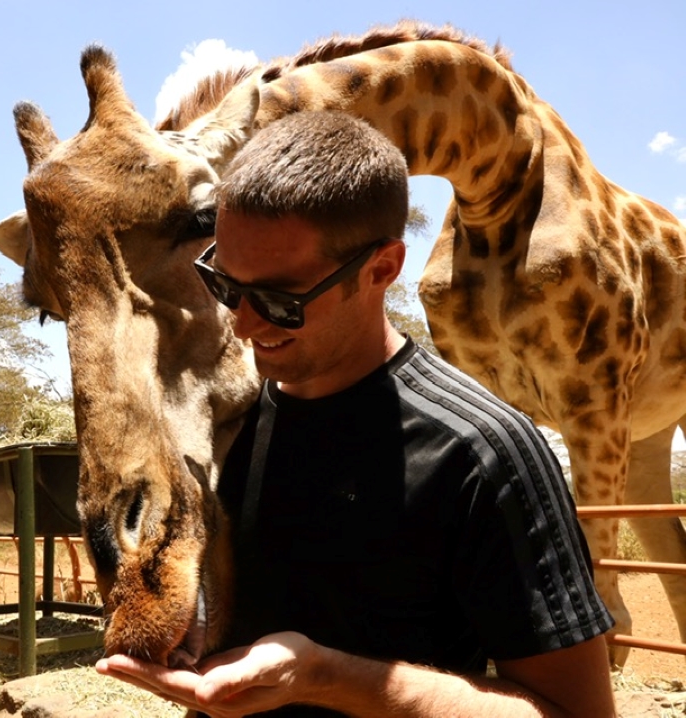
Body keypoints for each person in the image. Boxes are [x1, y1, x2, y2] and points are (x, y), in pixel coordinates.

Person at [96, 110, 616, 717]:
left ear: (382, 269)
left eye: (278, 299)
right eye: (226, 284)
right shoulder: (227, 425)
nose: (243, 323)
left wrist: (326, 677)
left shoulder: (483, 453)